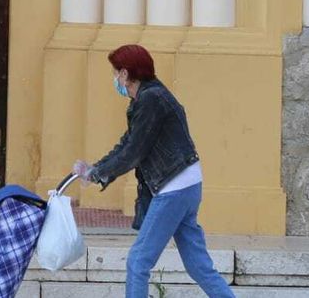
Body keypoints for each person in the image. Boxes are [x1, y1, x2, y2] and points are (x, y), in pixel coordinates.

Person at [73, 44, 234, 298]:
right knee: (199, 266)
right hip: (187, 186)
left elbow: (134, 152)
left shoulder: (150, 99)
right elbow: (128, 142)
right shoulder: (149, 98)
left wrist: (97, 174)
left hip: (174, 188)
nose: (114, 79)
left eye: (115, 73)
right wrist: (96, 169)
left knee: (138, 262)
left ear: (125, 74)